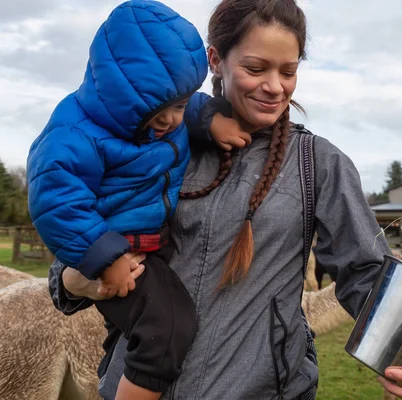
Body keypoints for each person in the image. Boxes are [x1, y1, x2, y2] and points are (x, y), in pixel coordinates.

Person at [48, 0, 402, 399]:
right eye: (255, 68)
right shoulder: (155, 140)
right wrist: (75, 279)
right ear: (216, 60)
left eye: (288, 71)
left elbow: (367, 276)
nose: (274, 87)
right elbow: (75, 248)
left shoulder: (319, 163)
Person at [27, 1, 249, 399]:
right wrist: (105, 258)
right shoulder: (75, 134)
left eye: (179, 106)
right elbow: (57, 202)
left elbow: (190, 105)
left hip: (152, 243)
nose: (172, 122)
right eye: (158, 111)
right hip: (121, 251)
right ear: (117, 96)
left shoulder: (168, 118)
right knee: (165, 330)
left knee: (154, 329)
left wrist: (209, 118)